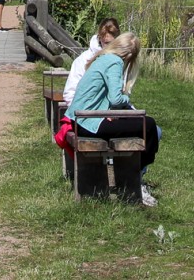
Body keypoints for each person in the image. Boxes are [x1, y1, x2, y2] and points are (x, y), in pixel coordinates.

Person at [66, 32, 160, 205]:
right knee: (149, 125)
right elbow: (116, 99)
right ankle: (136, 176)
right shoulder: (115, 62)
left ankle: (132, 174)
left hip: (80, 119)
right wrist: (126, 99)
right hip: (89, 122)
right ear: (130, 55)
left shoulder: (102, 58)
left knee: (142, 125)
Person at [62, 17, 121, 104]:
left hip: (114, 108)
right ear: (100, 39)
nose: (109, 47)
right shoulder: (83, 60)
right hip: (87, 110)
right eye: (106, 43)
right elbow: (70, 93)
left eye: (113, 43)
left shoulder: (120, 60)